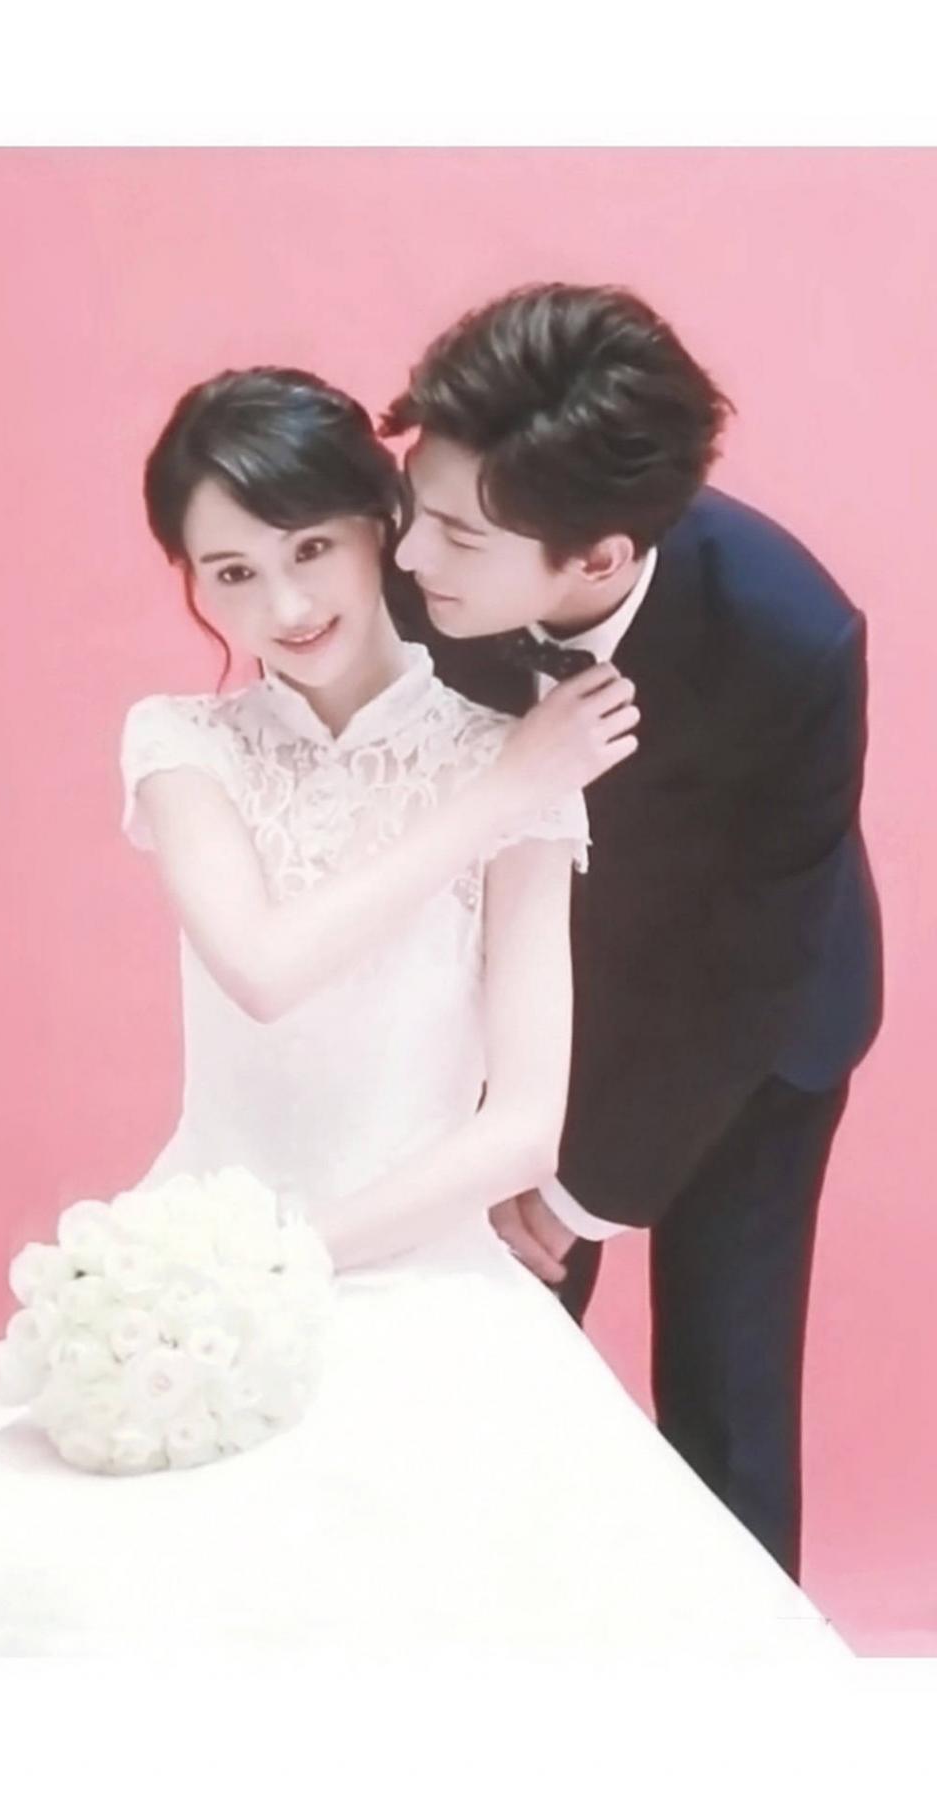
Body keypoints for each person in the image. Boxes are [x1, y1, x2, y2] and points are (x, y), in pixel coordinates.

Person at [0, 367, 846, 1657]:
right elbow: (262, 969)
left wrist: (292, 1262)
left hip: (416, 1258)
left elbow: (524, 1126)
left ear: (382, 527)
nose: (286, 605)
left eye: (312, 549)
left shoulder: (528, 742)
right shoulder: (183, 742)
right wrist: (499, 792)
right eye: (231, 573)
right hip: (207, 1235)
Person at [383, 282, 884, 1582]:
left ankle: (747, 1681)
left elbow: (748, 953)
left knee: (726, 1395)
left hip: (749, 1028)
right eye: (414, 504)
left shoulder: (794, 638)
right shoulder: (408, 556)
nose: (410, 557)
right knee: (476, 1370)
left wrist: (575, 1186)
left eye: (456, 535)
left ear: (599, 560)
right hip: (509, 992)